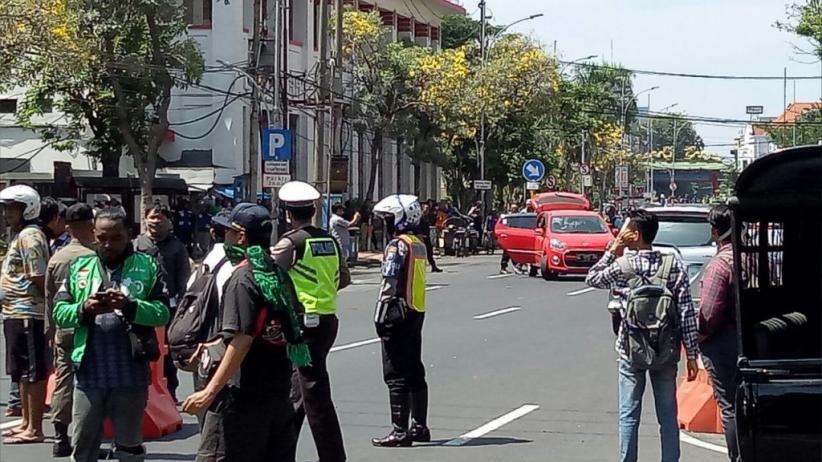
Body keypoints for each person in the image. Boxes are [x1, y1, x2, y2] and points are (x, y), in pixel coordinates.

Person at [182, 203, 309, 462]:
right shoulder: (277, 274)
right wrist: (215, 344)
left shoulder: (243, 278)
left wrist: (209, 392)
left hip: (241, 398)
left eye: (228, 231)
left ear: (240, 237)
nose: (223, 235)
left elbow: (242, 339)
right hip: (277, 392)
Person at [53, 207, 170, 462]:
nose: (108, 244)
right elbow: (59, 312)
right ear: (94, 234)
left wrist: (129, 306)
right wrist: (84, 308)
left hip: (131, 373)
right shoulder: (79, 267)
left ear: (129, 234)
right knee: (83, 444)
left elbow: (163, 312)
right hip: (88, 373)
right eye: (102, 238)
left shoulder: (148, 264)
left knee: (129, 446)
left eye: (115, 238)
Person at [585, 209, 699, 462]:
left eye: (625, 228)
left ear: (634, 234)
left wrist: (613, 249)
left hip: (630, 350)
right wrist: (692, 353)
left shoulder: (623, 265)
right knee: (668, 414)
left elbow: (592, 278)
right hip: (666, 350)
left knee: (629, 415)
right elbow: (686, 310)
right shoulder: (672, 264)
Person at [273, 181, 349, 462]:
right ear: (314, 209)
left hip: (303, 323)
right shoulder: (329, 240)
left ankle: (333, 456)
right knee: (299, 390)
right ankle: (280, 452)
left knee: (314, 393)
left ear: (286, 213)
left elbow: (267, 277)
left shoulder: (290, 243)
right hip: (328, 320)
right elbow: (344, 278)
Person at [371, 194, 430, 448]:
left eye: (387, 218)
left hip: (396, 311)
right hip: (415, 311)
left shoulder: (397, 245)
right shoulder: (418, 243)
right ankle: (419, 426)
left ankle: (400, 431)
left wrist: (380, 313)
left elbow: (389, 281)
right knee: (414, 367)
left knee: (395, 372)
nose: (384, 224)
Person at [44, 203, 97, 457]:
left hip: (64, 326)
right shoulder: (95, 255)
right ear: (91, 224)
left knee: (63, 380)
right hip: (92, 328)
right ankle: (87, 437)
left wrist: (50, 330)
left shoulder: (58, 257)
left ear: (68, 226)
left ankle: (59, 435)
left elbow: (49, 298)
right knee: (93, 384)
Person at [1, 185, 51, 445]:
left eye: (12, 207)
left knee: (33, 372)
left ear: (27, 208)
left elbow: (38, 275)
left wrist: (50, 309)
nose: (7, 212)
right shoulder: (18, 235)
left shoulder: (30, 236)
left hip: (28, 312)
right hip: (14, 311)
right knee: (20, 371)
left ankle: (35, 428)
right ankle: (25, 421)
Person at [134, 204, 190, 402]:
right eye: (152, 218)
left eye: (161, 219)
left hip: (170, 306)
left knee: (168, 351)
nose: (156, 222)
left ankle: (171, 392)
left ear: (168, 222)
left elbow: (184, 278)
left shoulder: (177, 247)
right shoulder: (137, 245)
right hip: (141, 305)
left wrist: (184, 307)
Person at [698, 205, 739, 461]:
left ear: (715, 231)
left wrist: (695, 339)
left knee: (731, 406)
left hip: (725, 342)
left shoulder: (720, 264)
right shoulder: (751, 257)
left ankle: (737, 455)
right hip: (757, 339)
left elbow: (708, 314)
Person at [418, 203, 442, 273]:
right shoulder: (420, 217)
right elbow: (418, 227)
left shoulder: (427, 217)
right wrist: (420, 236)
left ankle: (434, 266)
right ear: (422, 209)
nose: (427, 210)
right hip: (421, 238)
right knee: (421, 254)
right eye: (426, 208)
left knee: (429, 253)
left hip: (427, 237)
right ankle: (421, 268)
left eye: (428, 209)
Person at [499, 203, 519, 274]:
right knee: (506, 253)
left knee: (515, 252)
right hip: (508, 237)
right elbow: (503, 226)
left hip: (515, 237)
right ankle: (503, 268)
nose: (514, 210)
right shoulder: (507, 217)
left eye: (516, 209)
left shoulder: (518, 216)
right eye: (513, 208)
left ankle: (516, 266)